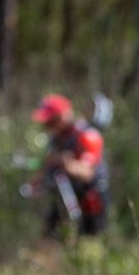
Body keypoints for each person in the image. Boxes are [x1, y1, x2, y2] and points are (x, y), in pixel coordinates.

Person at [26, 92, 110, 237]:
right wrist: (36, 185)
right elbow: (48, 168)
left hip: (91, 204)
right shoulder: (55, 140)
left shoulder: (87, 136)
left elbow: (87, 172)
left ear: (63, 116)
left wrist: (65, 163)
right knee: (49, 238)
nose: (48, 127)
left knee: (90, 244)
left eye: (51, 122)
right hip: (64, 200)